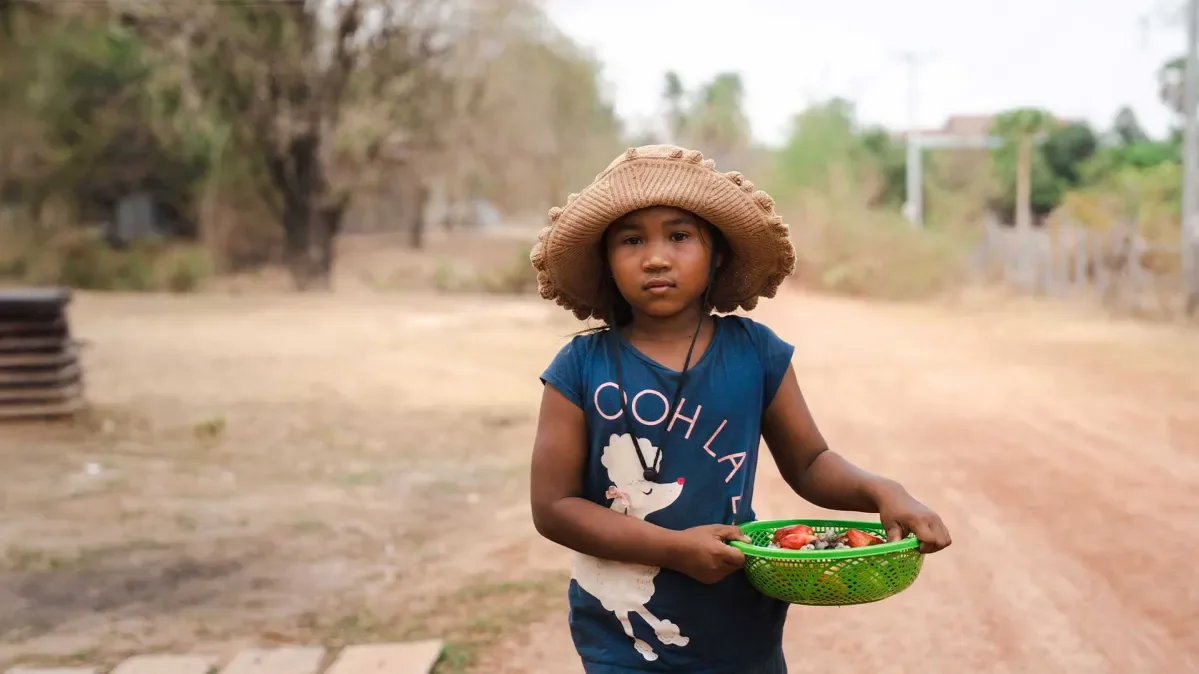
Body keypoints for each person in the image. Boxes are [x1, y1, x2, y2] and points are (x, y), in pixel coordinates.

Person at [528, 145, 952, 674]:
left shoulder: (757, 353)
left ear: (718, 255)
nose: (656, 257)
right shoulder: (579, 367)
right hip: (623, 637)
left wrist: (884, 491)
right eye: (631, 240)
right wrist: (676, 549)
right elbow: (554, 506)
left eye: (680, 236)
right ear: (607, 262)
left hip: (738, 629)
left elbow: (811, 462)